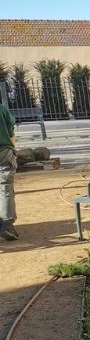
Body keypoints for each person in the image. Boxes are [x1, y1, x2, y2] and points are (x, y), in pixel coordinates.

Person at [0, 103, 17, 241]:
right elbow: (11, 132)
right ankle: (6, 225)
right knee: (5, 189)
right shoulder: (1, 108)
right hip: (3, 151)